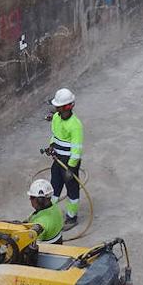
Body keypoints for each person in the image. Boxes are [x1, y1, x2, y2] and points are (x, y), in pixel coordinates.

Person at [46, 87, 83, 229]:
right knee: (54, 186)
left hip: (69, 162)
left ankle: (72, 218)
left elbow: (76, 150)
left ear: (67, 107)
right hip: (57, 159)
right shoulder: (56, 118)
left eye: (58, 106)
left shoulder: (75, 126)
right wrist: (51, 146)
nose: (55, 108)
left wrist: (72, 168)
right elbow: (55, 136)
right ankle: (49, 214)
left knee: (72, 189)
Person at [25, 178, 64, 243]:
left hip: (47, 249)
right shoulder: (54, 207)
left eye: (32, 197)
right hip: (57, 241)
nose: (30, 199)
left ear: (40, 200)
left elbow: (32, 244)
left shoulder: (40, 223)